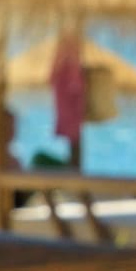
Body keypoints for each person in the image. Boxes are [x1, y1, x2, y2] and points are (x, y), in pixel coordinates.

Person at [50, 29, 85, 167]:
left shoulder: (65, 67)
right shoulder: (68, 68)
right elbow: (75, 86)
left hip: (69, 113)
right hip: (70, 113)